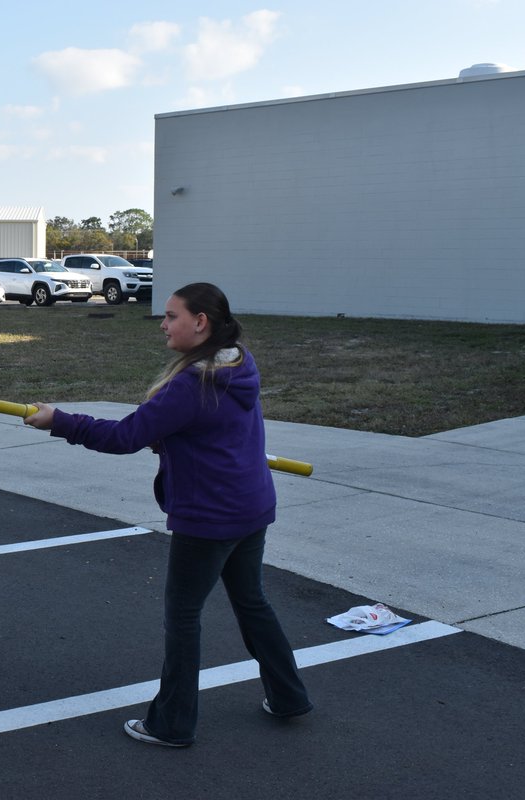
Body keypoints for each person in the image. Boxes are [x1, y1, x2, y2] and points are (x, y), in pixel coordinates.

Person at [23, 282, 312, 747]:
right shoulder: (238, 361)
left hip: (210, 518)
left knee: (183, 616)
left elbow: (124, 436)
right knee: (252, 602)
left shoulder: (192, 384)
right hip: (251, 507)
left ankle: (172, 724)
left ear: (200, 322)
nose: (163, 323)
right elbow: (200, 430)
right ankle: (288, 696)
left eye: (172, 315)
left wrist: (59, 421)